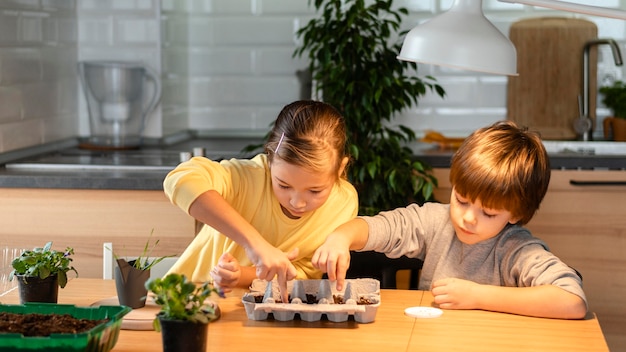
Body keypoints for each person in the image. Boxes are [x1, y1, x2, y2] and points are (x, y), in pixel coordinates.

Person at [312, 121, 588, 319]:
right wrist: (342, 236)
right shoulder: (437, 221)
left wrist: (479, 296)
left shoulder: (516, 249)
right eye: (462, 199)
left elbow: (572, 300)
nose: (467, 218)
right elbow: (382, 226)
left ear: (516, 214)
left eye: (488, 213)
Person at [163, 100, 358, 302]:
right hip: (185, 298)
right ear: (270, 160)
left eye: (315, 191)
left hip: (251, 308)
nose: (297, 203)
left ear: (341, 168)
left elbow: (300, 274)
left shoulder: (343, 203)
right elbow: (179, 180)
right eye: (283, 185)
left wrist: (241, 275)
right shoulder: (248, 177)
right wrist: (254, 245)